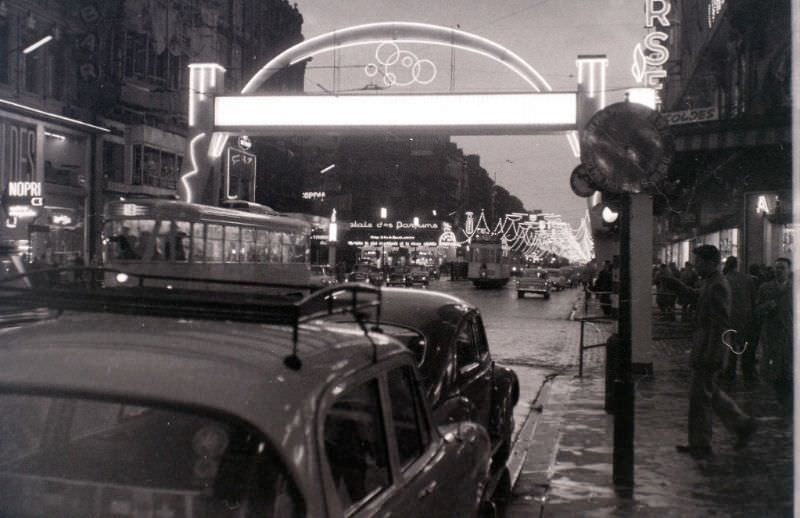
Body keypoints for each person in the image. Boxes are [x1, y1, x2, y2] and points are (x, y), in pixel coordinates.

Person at [665, 245, 758, 458]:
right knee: (709, 392)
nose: (695, 265)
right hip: (706, 347)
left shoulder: (718, 285)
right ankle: (742, 424)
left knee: (699, 397)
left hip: (710, 349)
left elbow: (721, 324)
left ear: (709, 262)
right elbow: (698, 297)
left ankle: (701, 443)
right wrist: (677, 285)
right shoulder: (711, 282)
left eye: (698, 261)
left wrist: (713, 354)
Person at [755, 257, 793, 411]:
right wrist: (766, 307)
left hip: (792, 335)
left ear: (789, 270)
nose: (778, 270)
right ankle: (782, 398)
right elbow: (756, 311)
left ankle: (789, 400)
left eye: (782, 268)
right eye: (776, 267)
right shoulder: (765, 288)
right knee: (775, 369)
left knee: (790, 367)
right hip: (773, 335)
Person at [721, 256, 757, 383]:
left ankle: (730, 373)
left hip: (729, 318)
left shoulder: (724, 280)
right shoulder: (748, 279)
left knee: (730, 346)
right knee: (746, 347)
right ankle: (748, 373)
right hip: (746, 318)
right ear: (737, 265)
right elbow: (753, 299)